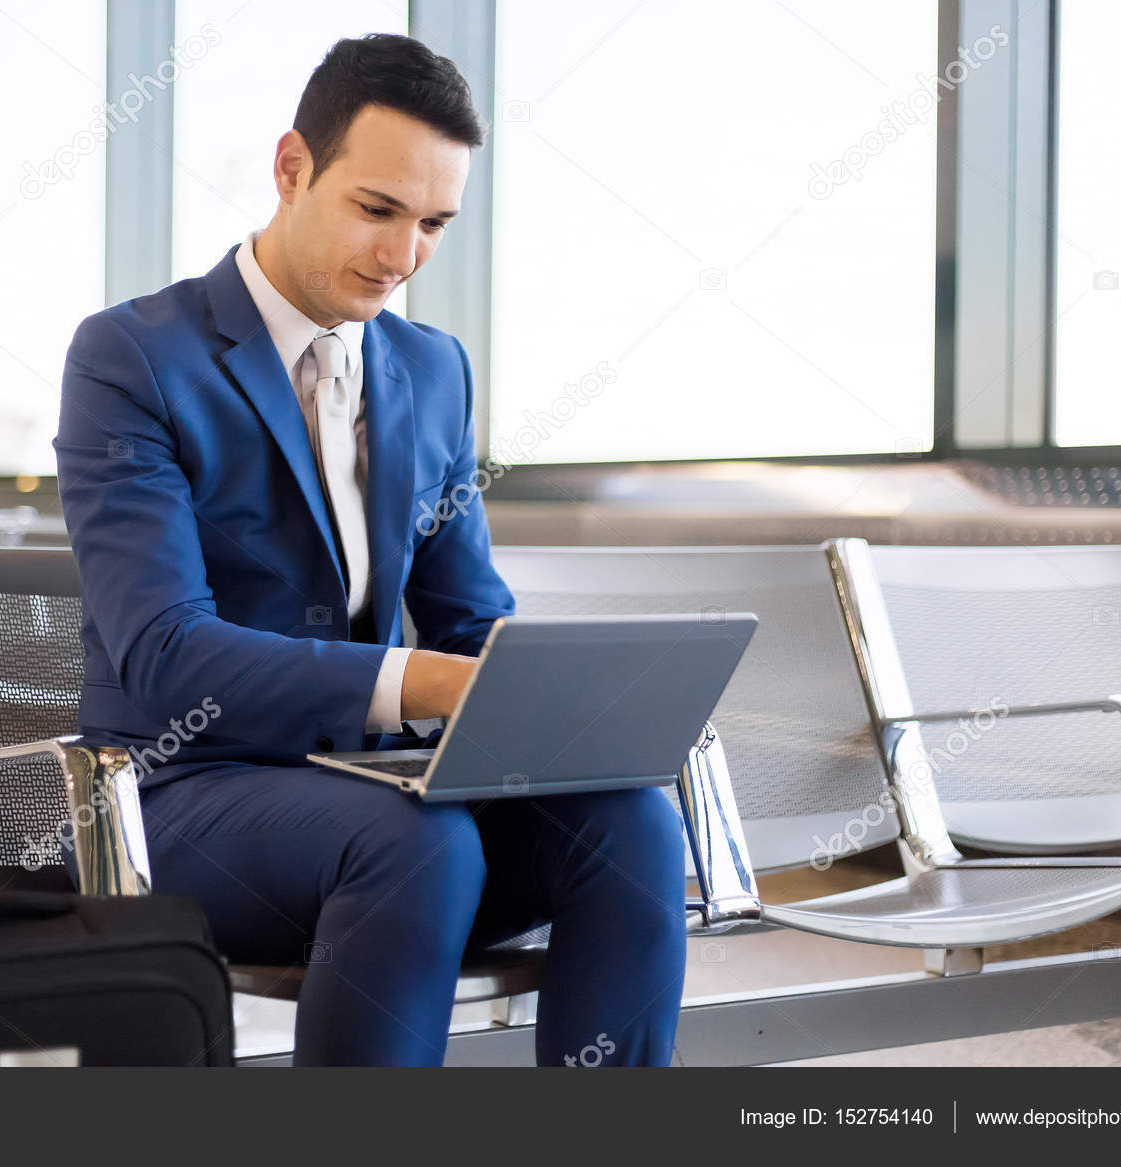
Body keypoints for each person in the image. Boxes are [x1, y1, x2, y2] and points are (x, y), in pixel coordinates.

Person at [55, 33, 686, 1066]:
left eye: (434, 224)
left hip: (378, 789)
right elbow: (165, 655)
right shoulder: (136, 356)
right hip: (181, 795)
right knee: (414, 842)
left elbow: (472, 616)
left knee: (630, 824)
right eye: (377, 209)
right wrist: (424, 683)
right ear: (291, 168)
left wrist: (564, 701)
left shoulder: (431, 371)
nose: (402, 259)